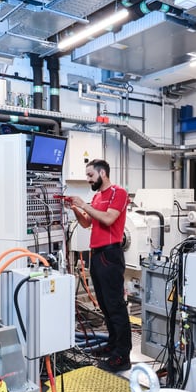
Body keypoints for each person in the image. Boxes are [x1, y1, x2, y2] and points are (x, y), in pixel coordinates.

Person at [64, 159, 131, 372]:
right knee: (104, 305)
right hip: (97, 255)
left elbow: (109, 219)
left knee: (116, 306)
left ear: (103, 173)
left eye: (91, 175)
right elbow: (86, 223)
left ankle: (123, 356)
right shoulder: (97, 196)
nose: (88, 179)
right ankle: (112, 345)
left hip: (111, 254)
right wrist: (76, 208)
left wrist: (84, 205)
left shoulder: (117, 193)